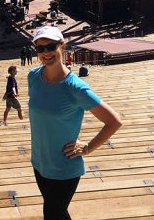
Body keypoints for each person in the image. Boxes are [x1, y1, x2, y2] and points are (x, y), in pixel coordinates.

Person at [28, 25, 122, 220]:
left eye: (51, 46)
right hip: (39, 163)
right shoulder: (33, 77)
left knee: (52, 214)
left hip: (64, 168)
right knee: (59, 213)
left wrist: (87, 148)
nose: (46, 53)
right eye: (40, 48)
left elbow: (113, 121)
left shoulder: (76, 88)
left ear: (62, 46)